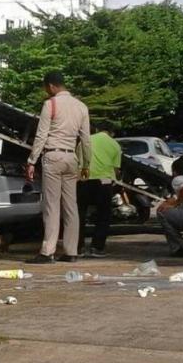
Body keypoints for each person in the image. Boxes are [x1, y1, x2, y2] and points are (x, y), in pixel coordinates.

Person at [25, 71, 91, 264]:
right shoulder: (81, 106)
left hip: (52, 156)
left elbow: (41, 135)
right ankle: (71, 251)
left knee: (51, 206)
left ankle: (48, 251)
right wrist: (86, 163)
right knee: (71, 206)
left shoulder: (50, 104)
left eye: (47, 87)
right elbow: (86, 139)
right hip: (72, 157)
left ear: (52, 86)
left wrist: (31, 160)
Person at [77, 127, 121, 258]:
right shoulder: (115, 144)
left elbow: (78, 162)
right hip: (104, 182)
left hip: (84, 180)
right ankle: (97, 247)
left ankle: (78, 247)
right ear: (111, 133)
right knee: (103, 215)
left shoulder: (84, 141)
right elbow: (116, 170)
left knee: (79, 214)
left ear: (97, 130)